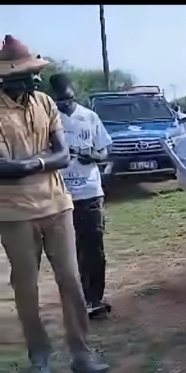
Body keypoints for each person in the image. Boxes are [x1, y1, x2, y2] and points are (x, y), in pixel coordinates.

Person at [0, 35, 109, 373]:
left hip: (58, 207)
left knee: (71, 282)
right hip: (14, 213)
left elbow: (62, 156)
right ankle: (40, 356)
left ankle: (81, 353)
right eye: (26, 74)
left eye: (34, 73)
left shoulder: (45, 103)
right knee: (27, 288)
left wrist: (28, 164)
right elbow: (2, 169)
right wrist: (41, 162)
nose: (34, 79)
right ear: (6, 78)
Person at [50, 73, 113, 320]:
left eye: (68, 98)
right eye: (59, 101)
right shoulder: (48, 120)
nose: (65, 104)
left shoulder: (89, 117)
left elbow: (105, 150)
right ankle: (77, 302)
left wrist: (94, 157)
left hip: (90, 193)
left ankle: (95, 299)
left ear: (74, 92)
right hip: (60, 195)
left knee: (94, 248)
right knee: (68, 252)